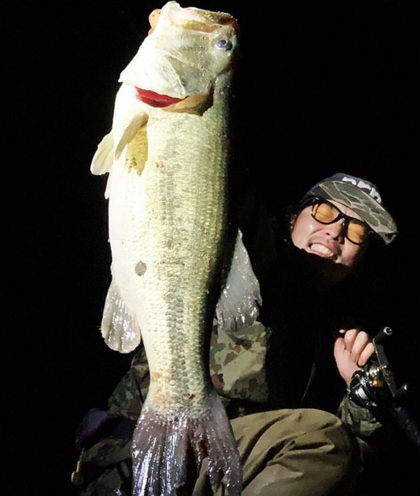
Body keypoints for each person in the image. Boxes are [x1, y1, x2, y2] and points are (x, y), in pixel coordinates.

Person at [73, 172, 398, 496]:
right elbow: (225, 190)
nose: (335, 231)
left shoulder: (338, 339)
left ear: (361, 260)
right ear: (293, 218)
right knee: (322, 438)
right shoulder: (252, 259)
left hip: (217, 472)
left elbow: (343, 459)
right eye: (325, 212)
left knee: (331, 445)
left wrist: (361, 397)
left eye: (356, 231)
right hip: (138, 457)